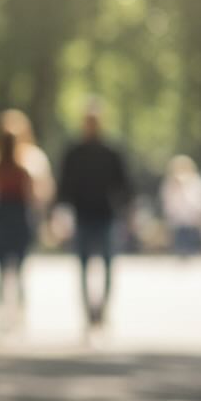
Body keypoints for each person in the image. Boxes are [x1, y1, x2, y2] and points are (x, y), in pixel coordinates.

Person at [0, 109, 54, 334]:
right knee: (18, 269)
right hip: (16, 215)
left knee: (3, 269)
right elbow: (41, 193)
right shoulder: (26, 160)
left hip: (5, 214)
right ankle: (17, 315)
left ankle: (4, 315)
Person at [56, 103, 131, 332]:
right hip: (82, 216)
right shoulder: (74, 152)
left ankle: (103, 309)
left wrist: (127, 212)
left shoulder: (111, 152)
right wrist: (60, 214)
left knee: (108, 265)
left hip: (106, 215)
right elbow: (64, 186)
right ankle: (89, 312)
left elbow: (124, 185)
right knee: (83, 266)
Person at [159, 155, 201, 259]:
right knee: (181, 243)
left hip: (192, 218)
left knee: (192, 243)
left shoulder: (196, 182)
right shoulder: (170, 183)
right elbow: (168, 201)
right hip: (178, 220)